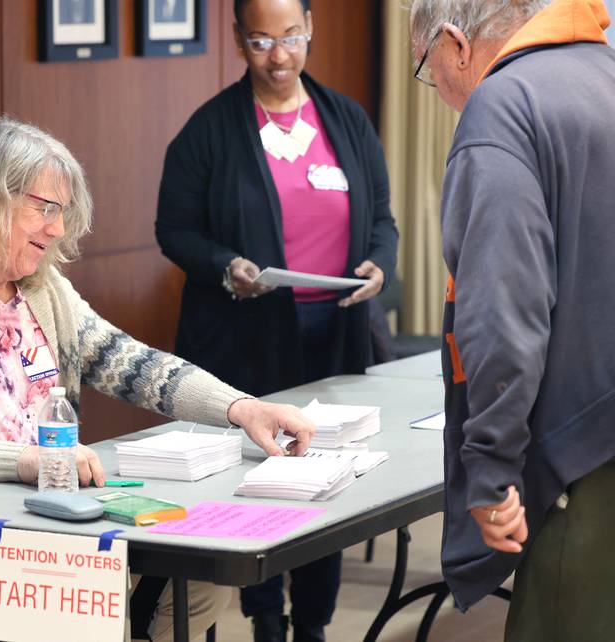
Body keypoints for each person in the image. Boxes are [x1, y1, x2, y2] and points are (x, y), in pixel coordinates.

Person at [0, 117, 316, 642]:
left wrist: (242, 408)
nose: (57, 229)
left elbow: (137, 365)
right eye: (44, 210)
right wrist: (23, 462)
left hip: (52, 521)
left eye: (61, 213)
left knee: (208, 571)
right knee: (76, 586)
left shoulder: (42, 290)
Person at [155, 0, 398, 639]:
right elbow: (173, 229)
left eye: (292, 37)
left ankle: (313, 625)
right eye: (262, 40)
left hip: (335, 342)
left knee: (329, 480)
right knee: (263, 482)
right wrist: (225, 264)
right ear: (239, 40)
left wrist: (377, 265)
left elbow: (382, 221)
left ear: (310, 30)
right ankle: (265, 620)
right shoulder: (210, 130)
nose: (280, 55)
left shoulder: (345, 120)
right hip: (251, 344)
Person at [409, 0, 615, 639]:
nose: (440, 91)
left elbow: (502, 311)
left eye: (429, 69)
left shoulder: (505, 107)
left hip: (580, 460)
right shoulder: (603, 73)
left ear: (456, 43)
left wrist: (492, 469)